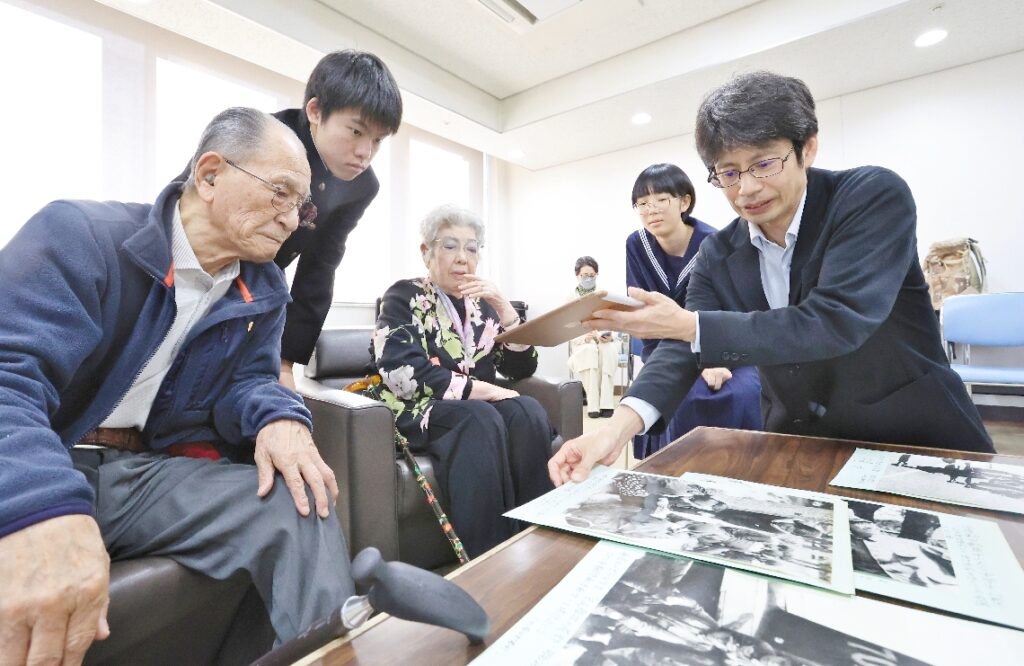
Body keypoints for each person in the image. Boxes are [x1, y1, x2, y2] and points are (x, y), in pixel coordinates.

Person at [0, 108, 360, 662]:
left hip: (138, 476)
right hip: (48, 454)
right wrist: (39, 503)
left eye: (301, 206)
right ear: (210, 174)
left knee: (299, 504)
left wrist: (280, 416)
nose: (291, 220)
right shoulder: (81, 235)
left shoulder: (264, 289)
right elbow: (9, 378)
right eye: (280, 192)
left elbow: (249, 380)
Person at [550, 70, 994, 487]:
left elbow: (836, 320)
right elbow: (682, 350)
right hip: (799, 444)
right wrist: (614, 430)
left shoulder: (869, 197)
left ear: (808, 148)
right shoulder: (718, 252)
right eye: (728, 172)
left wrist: (689, 325)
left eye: (764, 163)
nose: (746, 189)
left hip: (914, 439)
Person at [370, 204, 554, 556]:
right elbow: (399, 369)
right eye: (450, 245)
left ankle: (539, 536)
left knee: (528, 410)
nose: (462, 258)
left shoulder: (482, 307)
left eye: (471, 249)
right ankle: (487, 557)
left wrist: (505, 308)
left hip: (470, 408)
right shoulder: (403, 296)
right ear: (427, 252)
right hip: (418, 407)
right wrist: (484, 390)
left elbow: (520, 368)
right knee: (480, 416)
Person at [270, 50, 403, 388]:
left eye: (377, 140)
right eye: (357, 132)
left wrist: (285, 363)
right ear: (314, 111)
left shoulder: (362, 185)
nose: (366, 152)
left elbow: (319, 268)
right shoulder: (263, 138)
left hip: (265, 282)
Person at [627, 163, 762, 458]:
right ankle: (671, 471)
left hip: (724, 348)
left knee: (740, 392)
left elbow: (731, 310)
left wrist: (714, 356)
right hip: (664, 347)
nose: (652, 210)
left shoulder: (714, 244)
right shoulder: (637, 245)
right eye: (643, 203)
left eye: (662, 200)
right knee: (677, 394)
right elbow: (642, 311)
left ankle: (740, 469)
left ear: (684, 201)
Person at [567, 256, 619, 418]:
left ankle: (607, 404)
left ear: (596, 275)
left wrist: (610, 336)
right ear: (577, 276)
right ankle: (593, 405)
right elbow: (567, 327)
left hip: (602, 340)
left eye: (591, 275)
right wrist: (584, 337)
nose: (588, 278)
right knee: (589, 352)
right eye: (584, 275)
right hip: (583, 343)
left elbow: (614, 320)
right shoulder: (570, 298)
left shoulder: (604, 295)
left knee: (608, 350)